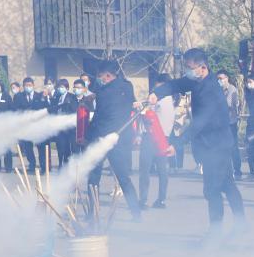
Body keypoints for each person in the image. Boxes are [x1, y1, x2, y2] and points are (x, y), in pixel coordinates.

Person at [152, 49, 244, 228]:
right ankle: (241, 225)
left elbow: (199, 123)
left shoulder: (211, 90)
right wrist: (157, 93)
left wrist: (177, 143)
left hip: (217, 146)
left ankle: (216, 231)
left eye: (190, 67)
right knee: (226, 185)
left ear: (203, 68)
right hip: (210, 144)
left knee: (212, 189)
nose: (187, 71)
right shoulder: (196, 80)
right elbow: (177, 84)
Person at [85, 60, 143, 222]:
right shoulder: (127, 86)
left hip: (103, 138)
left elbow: (100, 116)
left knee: (93, 178)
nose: (99, 79)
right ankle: (136, 213)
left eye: (100, 76)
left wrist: (88, 136)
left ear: (108, 75)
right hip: (120, 139)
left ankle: (92, 213)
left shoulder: (104, 92)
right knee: (123, 178)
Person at [137, 88, 173, 210]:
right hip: (163, 139)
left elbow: (146, 115)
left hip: (152, 138)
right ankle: (160, 199)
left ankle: (144, 200)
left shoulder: (159, 100)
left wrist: (142, 105)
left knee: (146, 171)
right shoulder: (170, 101)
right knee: (162, 172)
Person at [216, 70, 243, 179]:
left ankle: (237, 171)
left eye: (221, 78)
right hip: (220, 123)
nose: (220, 81)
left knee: (233, 147)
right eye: (218, 79)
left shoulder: (232, 89)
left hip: (230, 122)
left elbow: (229, 104)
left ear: (227, 78)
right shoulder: (217, 90)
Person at [13, 77, 43, 173]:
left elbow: (43, 108)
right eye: (26, 85)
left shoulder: (39, 96)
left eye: (30, 85)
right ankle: (32, 165)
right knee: (28, 148)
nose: (28, 87)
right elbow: (15, 110)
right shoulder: (18, 96)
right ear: (23, 86)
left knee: (40, 147)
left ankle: (43, 166)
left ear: (33, 85)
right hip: (25, 126)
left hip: (37, 126)